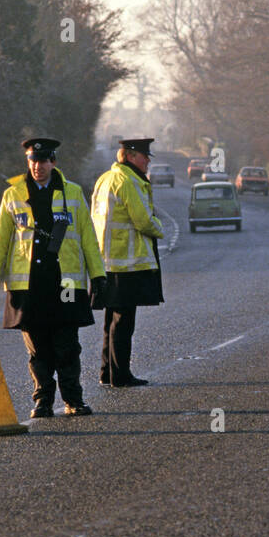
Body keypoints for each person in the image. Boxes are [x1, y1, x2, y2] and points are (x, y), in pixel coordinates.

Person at [0, 138, 106, 418]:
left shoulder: (73, 193)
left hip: (66, 284)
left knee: (67, 346)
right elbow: (0, 240)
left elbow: (88, 237)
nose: (38, 166)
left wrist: (98, 274)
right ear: (28, 162)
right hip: (29, 285)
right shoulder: (13, 195)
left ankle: (74, 400)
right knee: (38, 350)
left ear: (53, 162)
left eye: (43, 161)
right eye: (33, 161)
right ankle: (43, 401)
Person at [90, 137, 165, 387]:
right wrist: (160, 229)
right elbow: (143, 220)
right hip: (127, 263)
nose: (147, 162)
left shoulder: (105, 179)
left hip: (106, 262)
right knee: (123, 322)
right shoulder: (128, 180)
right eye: (145, 157)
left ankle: (107, 372)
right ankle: (120, 376)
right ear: (131, 156)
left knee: (110, 320)